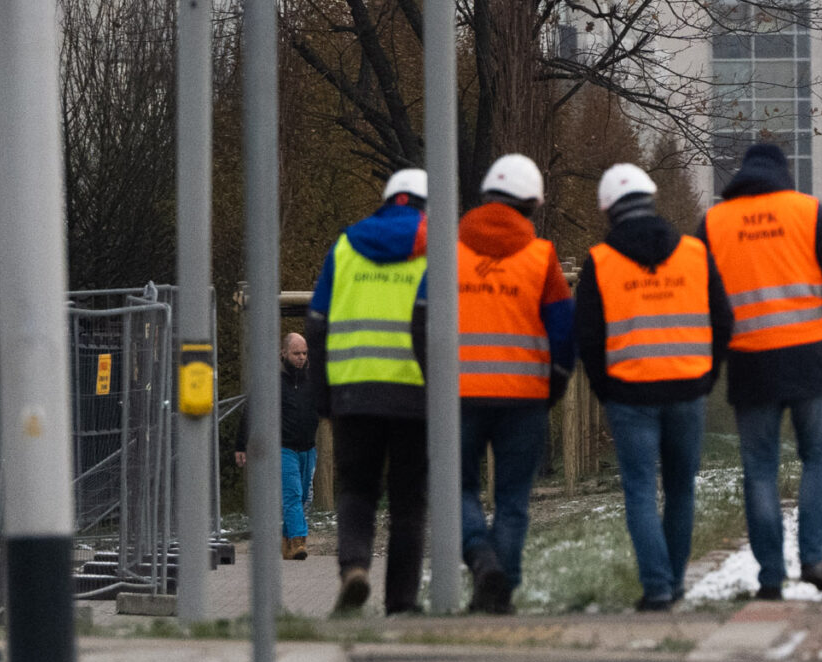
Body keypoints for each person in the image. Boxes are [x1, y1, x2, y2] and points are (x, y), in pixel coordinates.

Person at [699, 140, 822, 601]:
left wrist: (716, 350)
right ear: (783, 172)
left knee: (759, 470)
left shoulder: (714, 223)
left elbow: (698, 291)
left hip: (750, 363)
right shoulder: (805, 212)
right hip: (811, 357)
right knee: (818, 459)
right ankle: (814, 559)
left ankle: (770, 576)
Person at [575, 164, 730, 611]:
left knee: (640, 490)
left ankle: (658, 587)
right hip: (687, 390)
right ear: (652, 200)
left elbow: (587, 337)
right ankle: (674, 582)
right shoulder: (695, 254)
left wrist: (608, 390)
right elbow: (722, 320)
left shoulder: (601, 262)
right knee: (681, 489)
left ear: (608, 209)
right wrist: (705, 375)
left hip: (630, 394)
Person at [304, 170, 430, 614]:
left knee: (357, 487)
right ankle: (401, 602)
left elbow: (316, 325)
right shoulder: (433, 248)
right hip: (415, 395)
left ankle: (354, 566)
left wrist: (323, 395)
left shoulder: (345, 246)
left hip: (353, 392)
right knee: (408, 501)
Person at [456, 153, 574, 613]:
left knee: (458, 488)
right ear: (530, 204)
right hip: (523, 398)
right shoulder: (542, 258)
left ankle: (482, 561)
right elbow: (563, 330)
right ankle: (501, 589)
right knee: (512, 498)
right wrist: (556, 384)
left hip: (460, 394)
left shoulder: (449, 250)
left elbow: (422, 320)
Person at [235, 330, 322, 560]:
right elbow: (250, 412)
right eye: (296, 353)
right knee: (292, 495)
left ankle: (286, 543)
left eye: (304, 353)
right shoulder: (271, 382)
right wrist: (241, 445)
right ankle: (299, 541)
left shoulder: (313, 381)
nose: (301, 357)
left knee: (303, 497)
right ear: (283, 353)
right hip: (283, 449)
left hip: (308, 448)